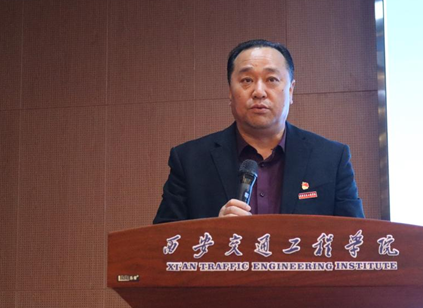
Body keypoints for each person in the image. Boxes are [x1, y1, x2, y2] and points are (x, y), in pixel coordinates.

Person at [153, 39, 365, 224]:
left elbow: (356, 239)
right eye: (247, 80)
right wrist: (212, 232)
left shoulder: (331, 158)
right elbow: (163, 242)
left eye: (271, 80)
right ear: (230, 92)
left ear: (290, 91)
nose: (259, 92)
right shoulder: (190, 160)